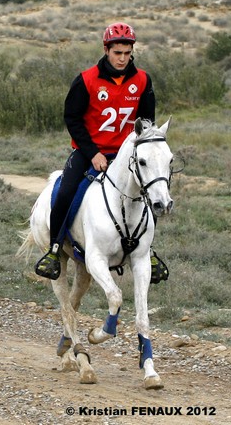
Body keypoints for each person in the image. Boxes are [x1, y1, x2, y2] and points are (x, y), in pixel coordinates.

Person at [34, 22, 168, 283]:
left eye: (127, 53)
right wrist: (93, 153)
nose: (123, 58)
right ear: (106, 50)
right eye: (117, 52)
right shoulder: (86, 80)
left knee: (149, 190)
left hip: (126, 152)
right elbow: (72, 119)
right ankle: (53, 249)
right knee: (66, 190)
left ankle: (147, 250)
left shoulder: (142, 80)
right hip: (89, 150)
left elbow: (147, 120)